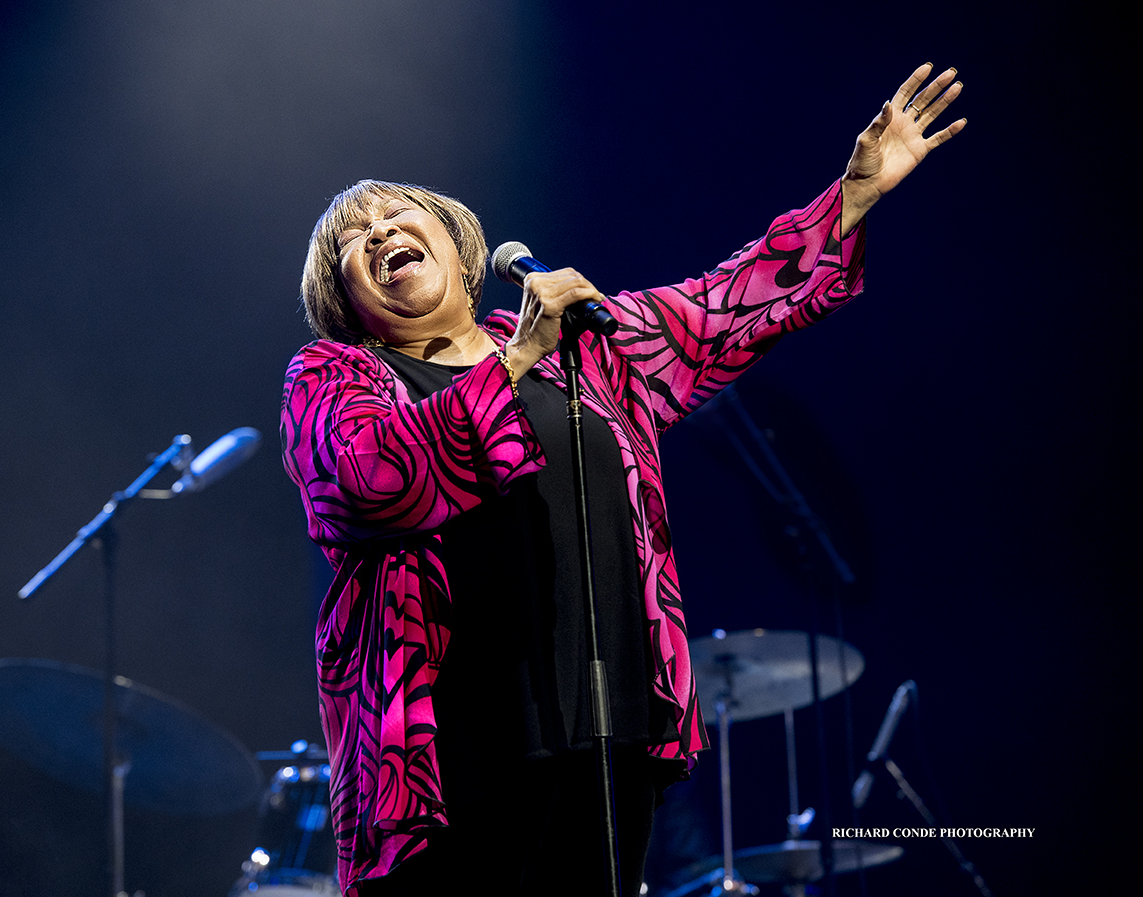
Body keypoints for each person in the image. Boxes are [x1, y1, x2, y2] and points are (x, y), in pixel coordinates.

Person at [280, 64, 965, 896]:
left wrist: (851, 196)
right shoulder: (336, 375)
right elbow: (366, 480)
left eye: (397, 214)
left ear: (461, 252)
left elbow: (721, 308)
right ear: (343, 293)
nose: (380, 231)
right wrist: (519, 357)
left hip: (609, 732)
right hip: (451, 747)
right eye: (354, 237)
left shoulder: (590, 352)